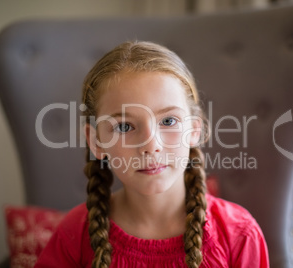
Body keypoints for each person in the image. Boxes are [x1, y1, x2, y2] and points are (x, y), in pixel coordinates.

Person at [34, 41, 269, 268]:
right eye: (125, 127)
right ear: (96, 142)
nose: (150, 145)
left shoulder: (240, 234)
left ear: (195, 130)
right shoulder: (74, 234)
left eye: (168, 121)